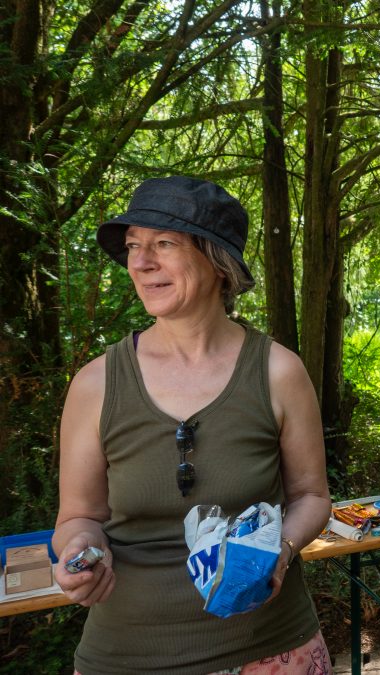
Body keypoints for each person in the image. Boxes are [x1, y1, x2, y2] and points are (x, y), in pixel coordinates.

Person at [53, 176, 333, 675]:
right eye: (134, 247)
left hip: (271, 649)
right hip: (127, 656)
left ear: (217, 260)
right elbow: (79, 516)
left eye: (163, 243)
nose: (140, 262)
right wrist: (80, 549)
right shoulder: (96, 384)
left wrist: (282, 550)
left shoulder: (279, 372)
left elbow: (312, 496)